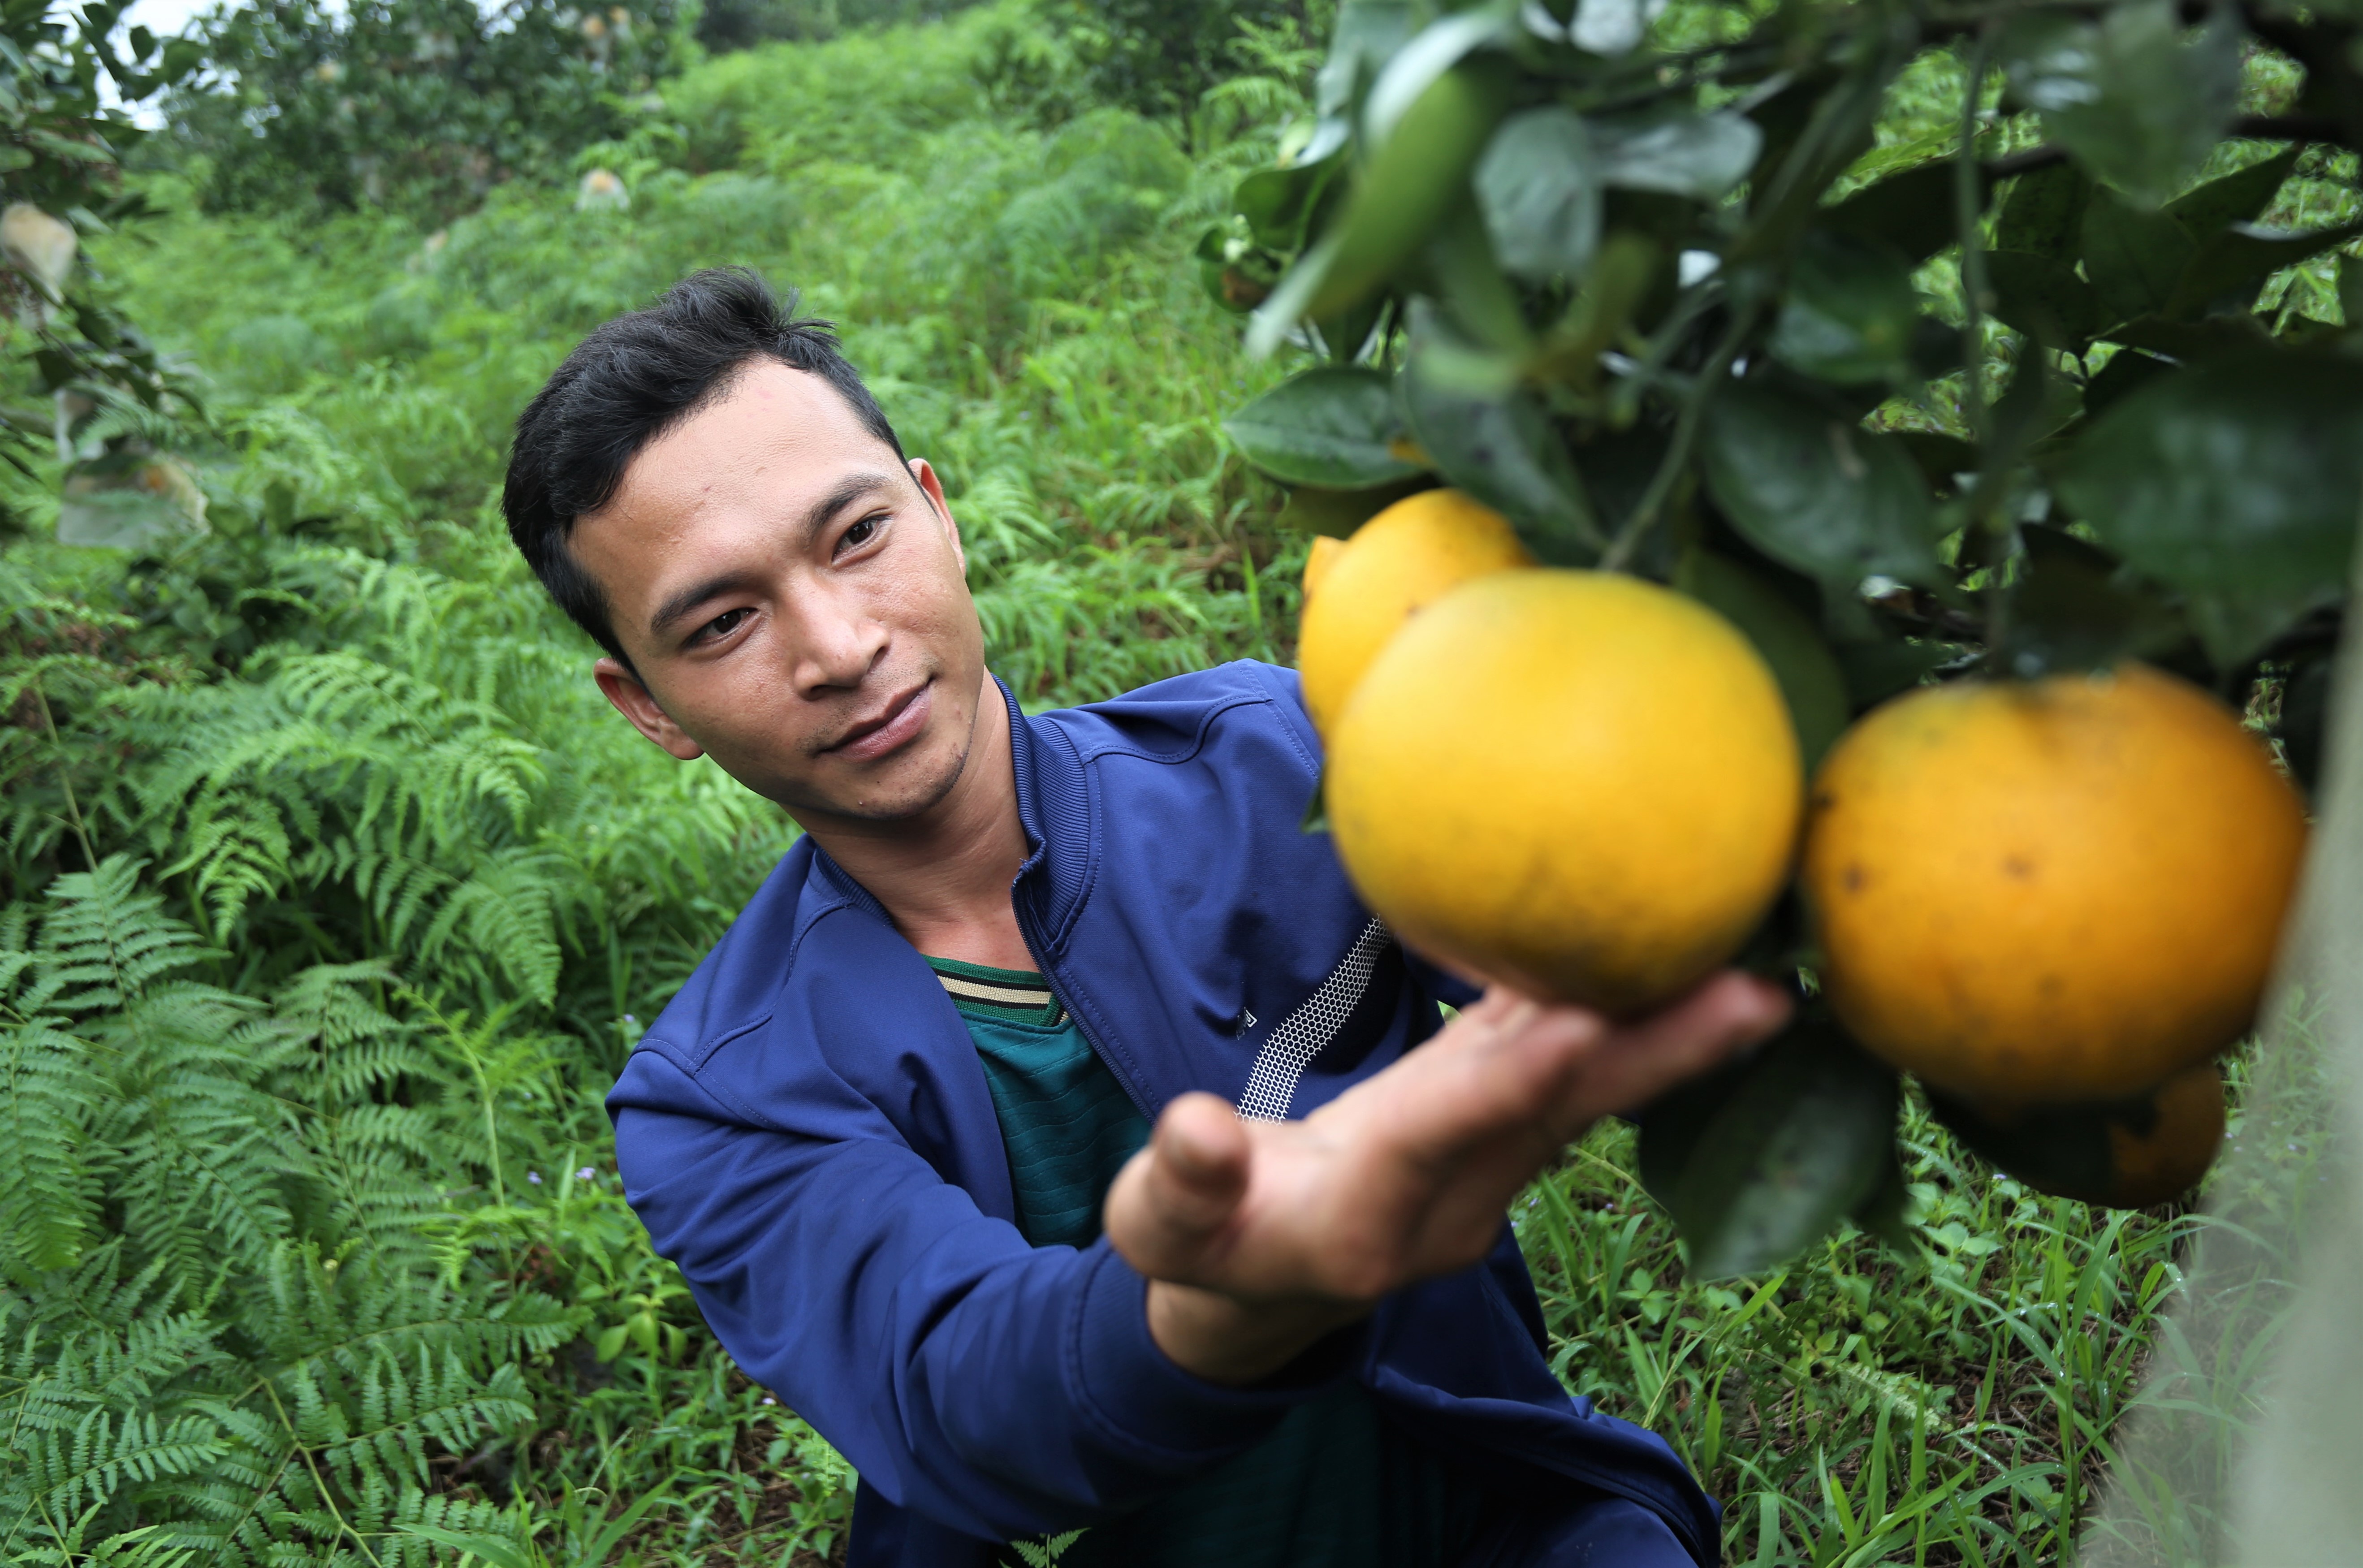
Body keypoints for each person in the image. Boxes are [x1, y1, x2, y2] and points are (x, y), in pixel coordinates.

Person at [501, 267, 1790, 1568]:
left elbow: (1587, 928)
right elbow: (964, 1397)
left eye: (856, 536)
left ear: (938, 512)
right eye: (723, 622)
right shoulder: (717, 1093)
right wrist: (1218, 1305)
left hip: (1502, 1516)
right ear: (648, 705)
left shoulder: (1285, 756)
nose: (837, 644)